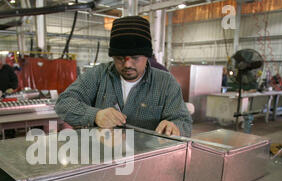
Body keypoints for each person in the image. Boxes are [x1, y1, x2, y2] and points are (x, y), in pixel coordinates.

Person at [55, 16, 192, 137]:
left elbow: (183, 121)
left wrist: (175, 127)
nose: (127, 64)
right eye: (120, 58)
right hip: (102, 156)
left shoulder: (165, 83)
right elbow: (63, 103)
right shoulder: (97, 75)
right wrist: (95, 115)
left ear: (146, 56)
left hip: (146, 158)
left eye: (135, 58)